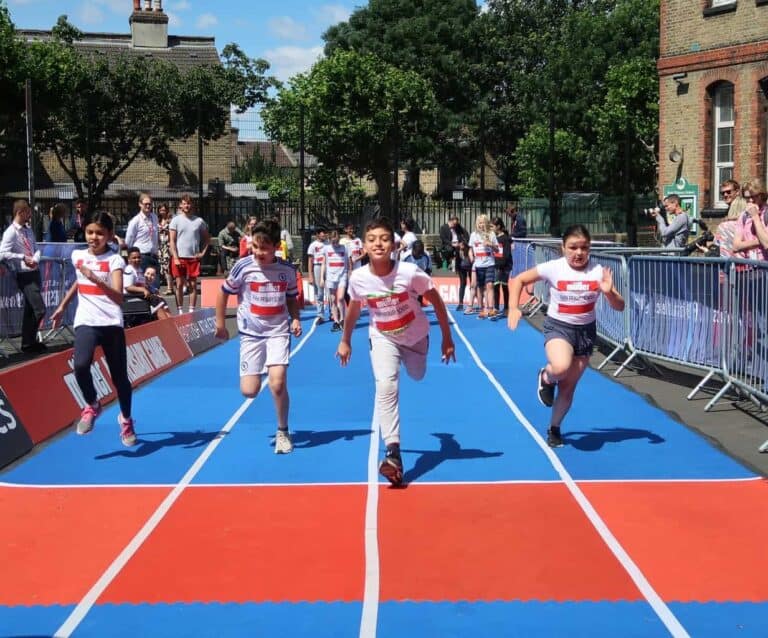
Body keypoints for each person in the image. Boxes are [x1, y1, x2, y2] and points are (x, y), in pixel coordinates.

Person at [336, 217, 456, 486]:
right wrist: (346, 340)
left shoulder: (410, 273)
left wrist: (447, 338)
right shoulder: (358, 278)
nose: (378, 243)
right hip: (382, 337)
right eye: (372, 239)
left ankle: (415, 356)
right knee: (386, 386)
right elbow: (354, 308)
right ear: (364, 246)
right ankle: (393, 453)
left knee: (417, 375)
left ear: (394, 244)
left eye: (384, 238)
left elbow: (436, 301)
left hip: (416, 337)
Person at [507, 224, 625, 448]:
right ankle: (546, 377)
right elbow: (520, 280)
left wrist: (609, 293)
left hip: (586, 331)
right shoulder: (554, 268)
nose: (579, 253)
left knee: (569, 386)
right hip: (559, 327)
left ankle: (554, 428)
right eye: (573, 247)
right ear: (563, 248)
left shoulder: (598, 272)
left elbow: (620, 306)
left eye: (584, 248)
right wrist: (513, 307)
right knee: (561, 367)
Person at [214, 219, 302, 454]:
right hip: (251, 334)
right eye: (255, 246)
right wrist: (221, 324)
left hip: (277, 332)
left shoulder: (287, 270)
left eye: (264, 248)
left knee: (277, 382)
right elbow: (223, 295)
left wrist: (294, 318)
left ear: (276, 246)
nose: (258, 252)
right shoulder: (243, 267)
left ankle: (283, 431)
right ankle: (262, 373)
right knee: (249, 391)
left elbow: (292, 298)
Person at [50, 212, 136, 446]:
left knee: (119, 378)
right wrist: (62, 306)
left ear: (108, 235)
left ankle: (126, 420)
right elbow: (80, 280)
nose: (93, 237)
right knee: (80, 364)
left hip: (110, 323)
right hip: (86, 321)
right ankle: (92, 404)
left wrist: (97, 278)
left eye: (99, 233)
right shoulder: (78, 255)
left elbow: (119, 297)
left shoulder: (115, 260)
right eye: (90, 232)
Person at [0, 199, 47, 353]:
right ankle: (28, 341)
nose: (30, 215)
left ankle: (28, 343)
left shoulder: (28, 230)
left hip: (34, 271)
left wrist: (35, 258)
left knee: (30, 309)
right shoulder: (11, 232)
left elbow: (35, 248)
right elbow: (2, 253)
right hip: (23, 274)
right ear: (20, 212)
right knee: (39, 308)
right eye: (27, 212)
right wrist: (22, 258)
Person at [169, 194, 209, 314]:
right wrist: (175, 257)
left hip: (193, 258)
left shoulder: (199, 221)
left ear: (192, 205)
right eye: (184, 203)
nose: (187, 206)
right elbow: (172, 240)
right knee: (179, 284)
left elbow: (207, 238)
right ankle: (180, 310)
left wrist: (202, 253)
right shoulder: (175, 220)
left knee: (192, 285)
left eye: (189, 203)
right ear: (181, 205)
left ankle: (192, 310)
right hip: (179, 258)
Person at [123, 247, 171, 320]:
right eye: (134, 258)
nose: (137, 259)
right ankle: (167, 324)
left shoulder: (139, 269)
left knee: (160, 299)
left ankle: (171, 323)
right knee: (156, 301)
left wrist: (153, 289)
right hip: (131, 298)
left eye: (139, 257)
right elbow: (128, 287)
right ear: (129, 260)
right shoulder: (129, 270)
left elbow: (143, 284)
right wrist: (143, 290)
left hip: (140, 296)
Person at [469, 214, 499, 318]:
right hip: (478, 264)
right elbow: (470, 248)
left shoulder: (491, 234)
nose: (481, 225)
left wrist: (491, 244)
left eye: (483, 223)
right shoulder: (473, 235)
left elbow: (497, 250)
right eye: (479, 223)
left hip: (490, 263)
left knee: (490, 285)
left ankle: (491, 309)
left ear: (486, 223)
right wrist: (471, 256)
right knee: (480, 287)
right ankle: (482, 309)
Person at [320, 230, 349, 332]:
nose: (335, 244)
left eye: (336, 241)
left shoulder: (344, 248)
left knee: (340, 298)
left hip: (342, 275)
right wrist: (322, 278)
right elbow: (323, 264)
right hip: (330, 277)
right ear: (329, 240)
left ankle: (342, 319)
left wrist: (350, 273)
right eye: (333, 242)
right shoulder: (326, 249)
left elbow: (348, 262)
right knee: (333, 300)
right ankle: (336, 321)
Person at [124, 192, 160, 272]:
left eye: (150, 204)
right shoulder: (135, 221)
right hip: (141, 257)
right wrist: (130, 257)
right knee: (142, 283)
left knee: (155, 283)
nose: (148, 206)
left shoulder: (154, 217)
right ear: (140, 204)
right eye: (145, 204)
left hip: (154, 256)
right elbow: (128, 241)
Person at [307, 227, 329, 323]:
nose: (324, 235)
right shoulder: (313, 245)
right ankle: (320, 314)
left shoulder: (328, 244)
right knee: (319, 292)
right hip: (317, 267)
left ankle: (333, 313)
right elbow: (310, 261)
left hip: (328, 267)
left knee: (330, 291)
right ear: (317, 235)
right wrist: (310, 275)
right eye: (322, 234)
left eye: (325, 233)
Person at [492, 217, 512, 317]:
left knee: (504, 286)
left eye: (493, 226)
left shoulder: (505, 238)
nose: (491, 228)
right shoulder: (494, 237)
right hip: (496, 265)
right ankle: (495, 307)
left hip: (505, 266)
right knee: (495, 286)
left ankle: (506, 308)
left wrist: (502, 265)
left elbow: (507, 254)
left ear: (498, 226)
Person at [157, 202, 173, 294]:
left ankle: (170, 288)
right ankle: (168, 286)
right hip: (160, 245)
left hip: (167, 244)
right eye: (160, 210)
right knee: (162, 266)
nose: (162, 211)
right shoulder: (157, 220)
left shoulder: (170, 220)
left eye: (164, 210)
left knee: (168, 267)